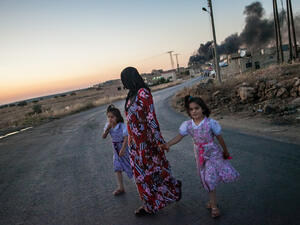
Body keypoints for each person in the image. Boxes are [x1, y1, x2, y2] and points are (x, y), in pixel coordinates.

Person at [160, 95, 239, 218]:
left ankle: (214, 206)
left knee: (209, 178)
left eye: (196, 108)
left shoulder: (211, 123)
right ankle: (212, 201)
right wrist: (167, 144)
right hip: (200, 154)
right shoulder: (187, 125)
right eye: (191, 109)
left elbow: (219, 138)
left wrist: (225, 151)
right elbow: (179, 137)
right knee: (204, 178)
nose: (194, 111)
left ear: (203, 108)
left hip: (213, 153)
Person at [121, 66, 181, 216]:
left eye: (124, 80)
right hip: (135, 145)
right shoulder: (131, 95)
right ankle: (148, 204)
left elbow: (151, 119)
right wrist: (129, 142)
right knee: (141, 176)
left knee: (156, 172)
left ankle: (173, 189)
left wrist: (160, 141)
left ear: (131, 78)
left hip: (148, 143)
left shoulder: (143, 93)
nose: (124, 84)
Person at [102, 104, 133, 196]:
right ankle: (121, 187)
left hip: (124, 148)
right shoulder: (108, 125)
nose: (110, 119)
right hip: (116, 149)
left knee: (130, 165)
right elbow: (103, 137)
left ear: (117, 117)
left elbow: (126, 137)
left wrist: (123, 149)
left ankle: (140, 183)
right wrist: (107, 130)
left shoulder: (122, 126)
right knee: (117, 168)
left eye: (112, 117)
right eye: (108, 117)